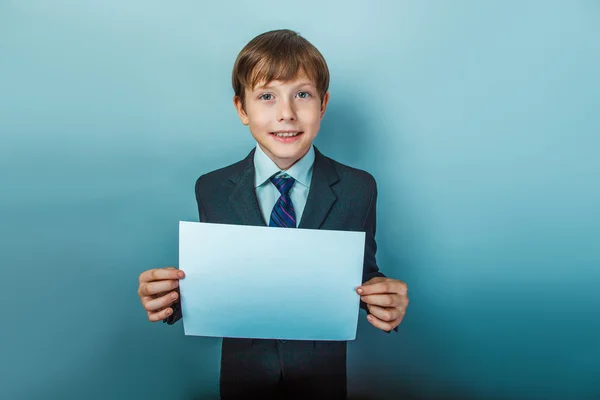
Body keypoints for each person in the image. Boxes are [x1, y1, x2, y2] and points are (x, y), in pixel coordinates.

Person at [137, 29, 409, 400]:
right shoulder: (212, 188)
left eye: (303, 95)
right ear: (242, 109)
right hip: (243, 380)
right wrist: (170, 298)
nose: (287, 113)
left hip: (323, 380)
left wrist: (383, 296)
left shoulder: (358, 188)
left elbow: (362, 275)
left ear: (323, 104)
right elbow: (221, 277)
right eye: (267, 96)